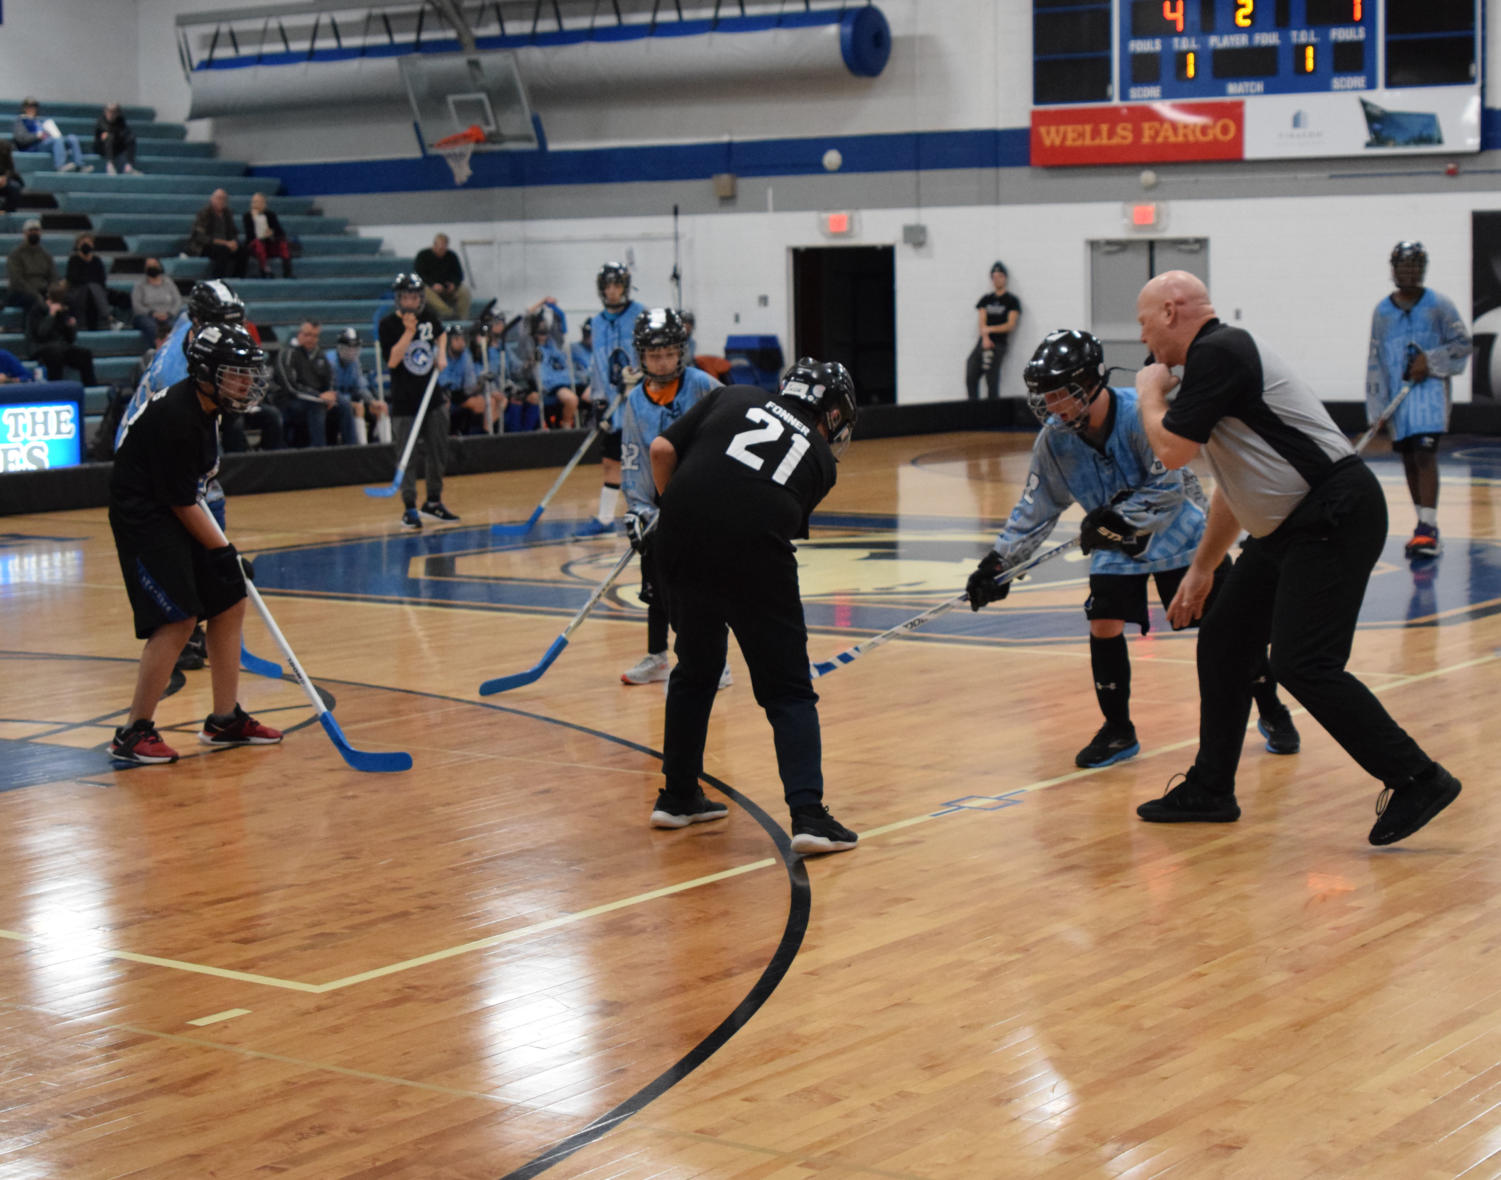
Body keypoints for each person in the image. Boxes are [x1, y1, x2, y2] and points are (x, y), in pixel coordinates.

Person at [1132, 270, 1461, 845]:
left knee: (1302, 661)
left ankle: (1418, 777)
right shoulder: (1213, 364)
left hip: (1333, 514)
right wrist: (1205, 567)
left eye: (1143, 325)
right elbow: (1236, 488)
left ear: (1170, 310)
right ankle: (1211, 788)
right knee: (1226, 637)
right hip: (1291, 526)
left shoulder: (1220, 350)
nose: (1145, 344)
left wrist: (1148, 394)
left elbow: (1173, 451)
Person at [966, 329, 1297, 769]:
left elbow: (1170, 488)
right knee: (1103, 621)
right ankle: (1118, 729)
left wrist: (1120, 520)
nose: (1050, 405)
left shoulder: (1141, 415)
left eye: (1058, 393)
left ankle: (1272, 709)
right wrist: (1000, 563)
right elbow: (1034, 507)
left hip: (1181, 538)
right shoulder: (1054, 440)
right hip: (1113, 543)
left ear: (1088, 386)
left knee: (1231, 630)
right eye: (1043, 395)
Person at [645, 357, 860, 853]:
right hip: (754, 548)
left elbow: (661, 450)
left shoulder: (732, 393)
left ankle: (677, 796)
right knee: (787, 689)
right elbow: (768, 512)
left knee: (695, 670)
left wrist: (675, 508)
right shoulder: (822, 462)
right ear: (831, 413)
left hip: (677, 538)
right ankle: (809, 816)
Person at [107, 323, 283, 764]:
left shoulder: (206, 408)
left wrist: (226, 558)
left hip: (177, 505)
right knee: (179, 618)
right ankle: (133, 731)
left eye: (248, 372)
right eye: (235, 373)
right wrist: (226, 551)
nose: (245, 382)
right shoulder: (179, 418)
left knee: (229, 598)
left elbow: (191, 493)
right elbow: (180, 501)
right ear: (207, 372)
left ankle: (225, 719)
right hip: (146, 518)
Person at [617, 308, 726, 688]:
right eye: (652, 354)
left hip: (702, 503)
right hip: (659, 507)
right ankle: (657, 656)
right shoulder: (635, 400)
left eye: (668, 353)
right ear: (641, 355)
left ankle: (716, 662)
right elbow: (633, 456)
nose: (661, 362)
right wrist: (639, 510)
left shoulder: (702, 386)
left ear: (680, 351)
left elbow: (727, 430)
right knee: (656, 583)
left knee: (702, 585)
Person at [1366, 241, 1473, 560]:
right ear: (1394, 269)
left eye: (1415, 266)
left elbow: (1463, 344)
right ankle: (1423, 525)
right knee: (1409, 458)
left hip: (1429, 398)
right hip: (1399, 401)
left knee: (1425, 455)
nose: (1409, 272)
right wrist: (1376, 409)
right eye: (1404, 266)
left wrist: (1432, 360)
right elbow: (1375, 361)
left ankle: (1428, 528)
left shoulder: (1439, 305)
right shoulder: (1382, 312)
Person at [378, 272, 455, 528]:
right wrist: (408, 333)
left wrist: (441, 354)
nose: (411, 302)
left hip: (431, 398)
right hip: (404, 402)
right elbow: (392, 361)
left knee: (438, 450)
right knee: (407, 456)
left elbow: (441, 333)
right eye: (406, 297)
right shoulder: (388, 324)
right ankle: (409, 507)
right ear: (399, 299)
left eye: (415, 297)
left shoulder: (429, 317)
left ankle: (433, 502)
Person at [580, 260, 647, 535]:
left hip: (639, 401)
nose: (612, 291)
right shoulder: (596, 322)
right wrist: (598, 400)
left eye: (617, 285)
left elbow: (652, 353)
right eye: (608, 286)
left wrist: (640, 374)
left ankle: (649, 512)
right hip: (613, 406)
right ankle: (605, 518)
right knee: (611, 461)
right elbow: (597, 363)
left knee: (643, 461)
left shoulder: (640, 314)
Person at [275, 319, 354, 447]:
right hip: (291, 402)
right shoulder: (287, 353)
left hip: (318, 398)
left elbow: (330, 379)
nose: (311, 339)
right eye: (307, 335)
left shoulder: (319, 354)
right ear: (299, 334)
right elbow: (290, 387)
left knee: (344, 403)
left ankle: (352, 448)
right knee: (316, 406)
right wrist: (318, 396)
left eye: (315, 336)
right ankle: (319, 451)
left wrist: (330, 394)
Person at [517, 298, 580, 429]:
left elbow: (559, 324)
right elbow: (524, 319)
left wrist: (553, 308)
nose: (543, 334)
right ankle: (566, 427)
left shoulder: (553, 342)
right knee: (572, 399)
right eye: (540, 331)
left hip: (565, 379)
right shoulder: (530, 345)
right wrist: (542, 301)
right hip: (547, 385)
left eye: (545, 330)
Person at [966, 261, 1021, 400]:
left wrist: (990, 329)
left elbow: (1010, 325)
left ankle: (993, 410)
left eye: (1000, 276)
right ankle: (973, 408)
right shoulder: (986, 299)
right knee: (971, 373)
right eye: (994, 277)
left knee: (992, 377)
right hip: (984, 341)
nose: (997, 279)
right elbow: (982, 322)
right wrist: (985, 337)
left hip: (999, 343)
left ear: (1005, 278)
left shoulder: (1011, 301)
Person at [26, 281, 97, 385]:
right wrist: (51, 316)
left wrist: (71, 327)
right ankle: (57, 389)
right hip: (40, 347)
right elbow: (41, 333)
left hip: (61, 347)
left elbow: (70, 339)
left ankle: (90, 386)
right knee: (55, 353)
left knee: (85, 354)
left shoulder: (62, 311)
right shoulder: (37, 310)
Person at [328, 327, 385, 444]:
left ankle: (388, 446)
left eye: (354, 348)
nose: (351, 352)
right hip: (334, 402)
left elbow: (361, 386)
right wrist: (351, 402)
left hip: (349, 399)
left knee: (381, 407)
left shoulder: (355, 362)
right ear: (339, 347)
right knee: (358, 407)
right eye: (348, 348)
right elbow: (330, 391)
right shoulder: (330, 362)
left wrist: (372, 401)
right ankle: (360, 448)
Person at [64, 231, 125, 331]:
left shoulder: (97, 260)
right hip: (78, 292)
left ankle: (109, 320)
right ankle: (110, 319)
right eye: (83, 243)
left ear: (92, 244)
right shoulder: (74, 260)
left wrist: (89, 281)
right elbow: (73, 279)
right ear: (78, 245)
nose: (86, 245)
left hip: (96, 292)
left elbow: (101, 280)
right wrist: (90, 281)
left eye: (89, 242)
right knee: (92, 286)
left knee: (95, 287)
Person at [11, 98, 89, 173]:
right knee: (57, 140)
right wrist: (36, 136)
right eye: (29, 107)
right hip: (35, 145)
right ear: (25, 108)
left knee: (72, 138)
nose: (32, 109)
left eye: (34, 107)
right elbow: (21, 138)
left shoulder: (41, 120)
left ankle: (80, 165)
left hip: (49, 140)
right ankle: (60, 166)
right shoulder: (21, 121)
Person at [435, 323, 485, 434]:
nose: (461, 343)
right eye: (457, 339)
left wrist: (479, 384)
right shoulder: (439, 354)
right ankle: (444, 438)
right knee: (444, 403)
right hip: (440, 394)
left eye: (463, 339)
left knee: (480, 402)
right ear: (448, 341)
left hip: (459, 394)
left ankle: (474, 440)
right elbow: (441, 382)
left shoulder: (465, 356)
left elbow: (469, 385)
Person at [188, 189, 244, 280]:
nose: (221, 201)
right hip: (206, 246)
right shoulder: (204, 213)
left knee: (243, 250)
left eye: (223, 199)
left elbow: (234, 232)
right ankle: (218, 278)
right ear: (212, 199)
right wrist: (224, 243)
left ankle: (238, 278)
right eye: (219, 198)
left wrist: (234, 241)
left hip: (226, 244)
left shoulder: (228, 214)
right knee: (222, 250)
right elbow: (200, 236)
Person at [413, 233, 471, 320]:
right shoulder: (423, 256)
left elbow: (459, 274)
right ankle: (447, 312)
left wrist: (454, 284)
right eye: (440, 248)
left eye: (444, 248)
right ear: (434, 245)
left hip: (448, 289)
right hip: (431, 289)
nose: (442, 251)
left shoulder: (451, 256)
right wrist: (432, 284)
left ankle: (462, 318)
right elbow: (419, 275)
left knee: (464, 291)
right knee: (423, 290)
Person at [5, 218, 56, 312]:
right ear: (24, 233)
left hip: (42, 290)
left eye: (36, 230)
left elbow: (52, 276)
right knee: (36, 301)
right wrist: (35, 293)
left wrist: (52, 292)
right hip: (20, 293)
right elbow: (17, 280)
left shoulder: (46, 255)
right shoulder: (16, 255)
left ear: (40, 233)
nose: (34, 233)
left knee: (64, 300)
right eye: (30, 231)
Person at [131, 258, 183, 350]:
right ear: (145, 268)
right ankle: (158, 351)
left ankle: (175, 350)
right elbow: (136, 305)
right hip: (148, 316)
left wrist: (169, 313)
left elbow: (178, 301)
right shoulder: (139, 285)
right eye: (149, 265)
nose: (152, 267)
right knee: (150, 326)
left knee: (178, 324)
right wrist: (152, 313)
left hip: (168, 315)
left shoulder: (168, 282)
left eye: (154, 264)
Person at [242, 192, 293, 279]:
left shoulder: (271, 215)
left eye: (258, 202)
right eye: (254, 202)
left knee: (282, 243)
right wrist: (256, 220)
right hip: (255, 246)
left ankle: (287, 271)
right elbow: (250, 236)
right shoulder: (247, 216)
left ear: (264, 203)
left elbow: (280, 232)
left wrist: (271, 233)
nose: (255, 205)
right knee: (259, 243)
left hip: (269, 244)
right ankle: (264, 270)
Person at [93, 102, 139, 175]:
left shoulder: (121, 121)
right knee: (109, 136)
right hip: (102, 147)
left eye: (114, 112)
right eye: (109, 112)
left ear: (117, 114)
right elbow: (105, 132)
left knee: (131, 138)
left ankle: (128, 166)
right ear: (105, 112)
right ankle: (110, 164)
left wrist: (117, 134)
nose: (111, 115)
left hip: (117, 145)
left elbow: (124, 133)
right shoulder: (101, 121)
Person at [0, 138, 24, 214]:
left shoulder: (6, 153)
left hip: (3, 181)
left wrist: (5, 178)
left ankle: (7, 211)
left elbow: (10, 170)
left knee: (15, 186)